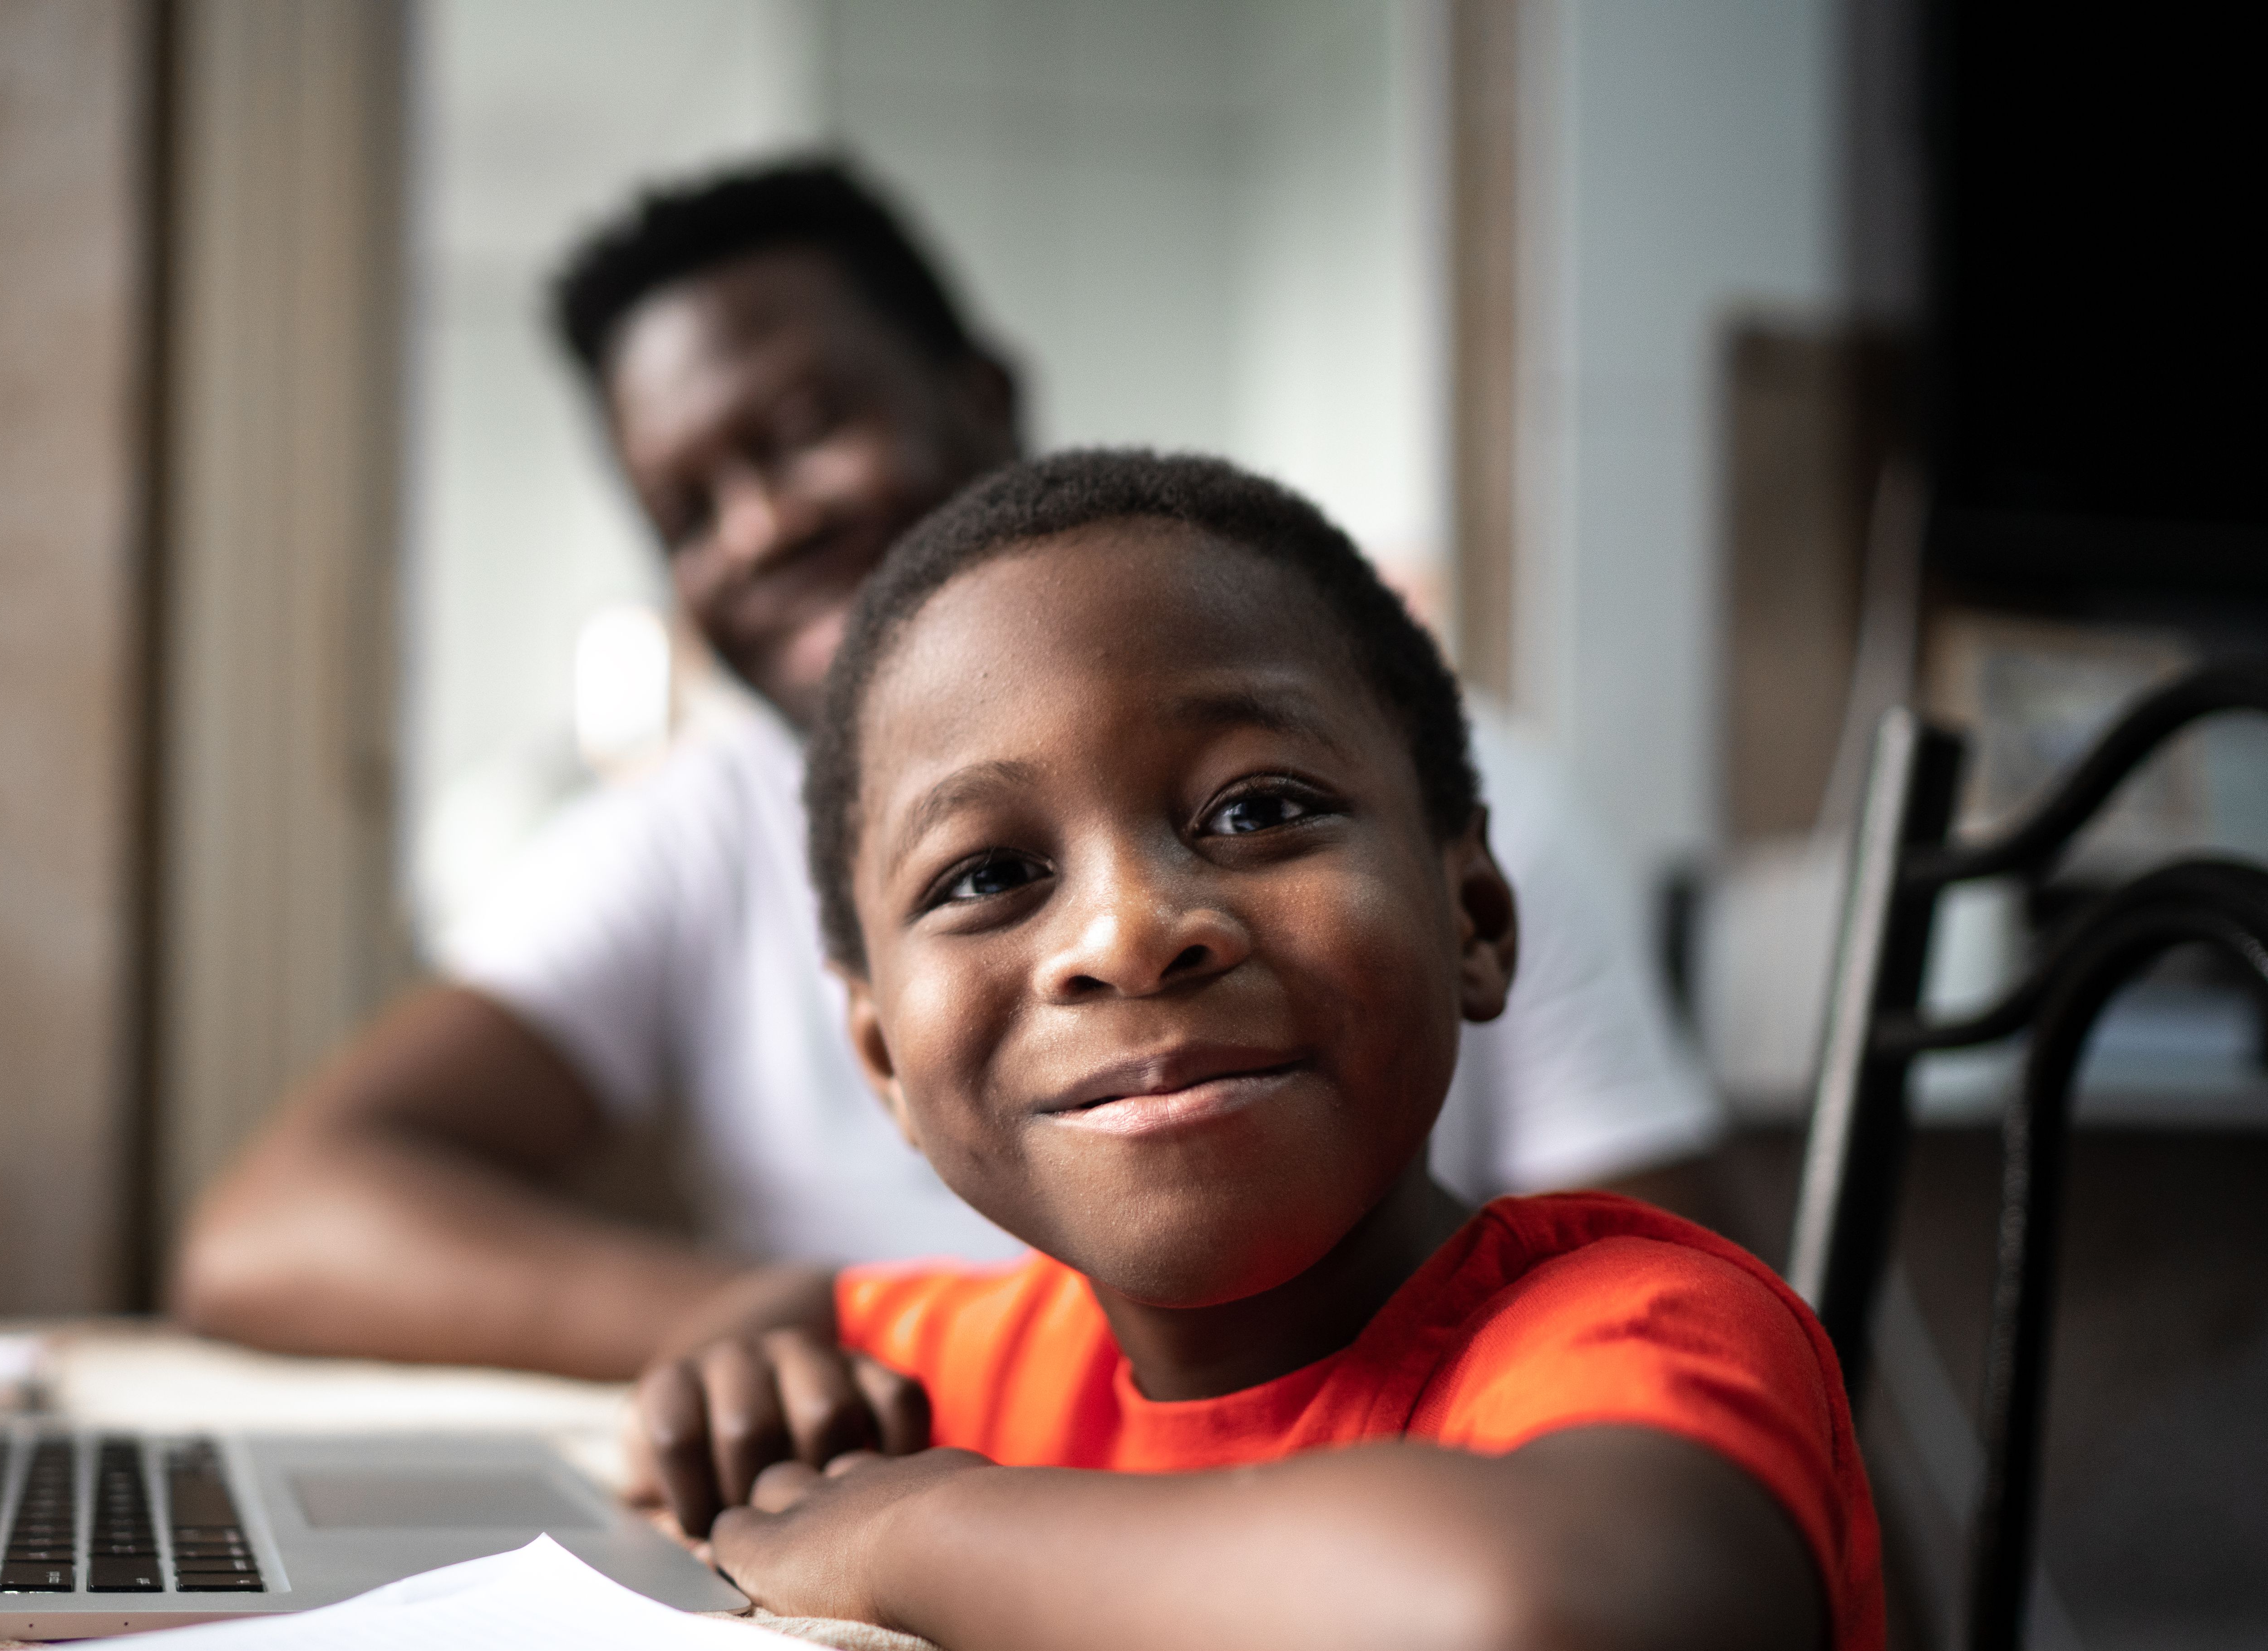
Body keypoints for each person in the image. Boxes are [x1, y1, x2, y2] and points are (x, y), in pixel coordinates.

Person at [172, 160, 1723, 1380]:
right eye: (688, 509)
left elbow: (1671, 1320)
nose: (761, 528)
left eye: (804, 430)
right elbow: (274, 1226)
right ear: (877, 1046)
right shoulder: (695, 832)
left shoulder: (1422, 784)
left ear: (979, 396)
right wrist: (825, 1339)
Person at [648, 451, 1879, 1651]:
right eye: (989, 875)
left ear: (1476, 920)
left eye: (1259, 808)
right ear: (885, 1064)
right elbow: (804, 1310)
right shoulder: (1002, 1355)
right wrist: (737, 1365)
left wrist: (922, 1534)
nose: (1127, 933)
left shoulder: (1641, 1327)